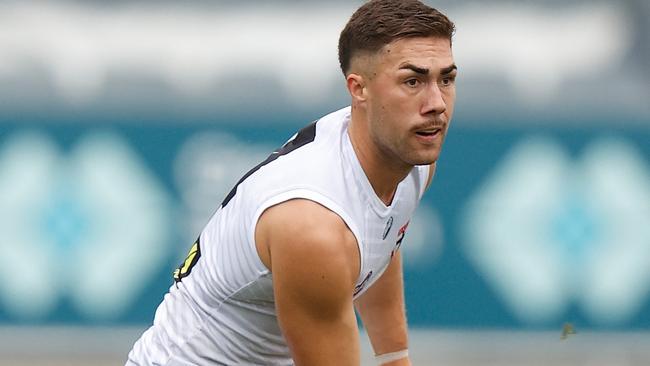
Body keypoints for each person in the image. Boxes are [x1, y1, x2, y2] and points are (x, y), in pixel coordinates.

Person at [126, 0, 456, 364]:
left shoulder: (408, 155)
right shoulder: (312, 228)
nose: (436, 103)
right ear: (358, 89)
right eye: (413, 81)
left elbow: (383, 236)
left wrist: (395, 359)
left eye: (446, 79)